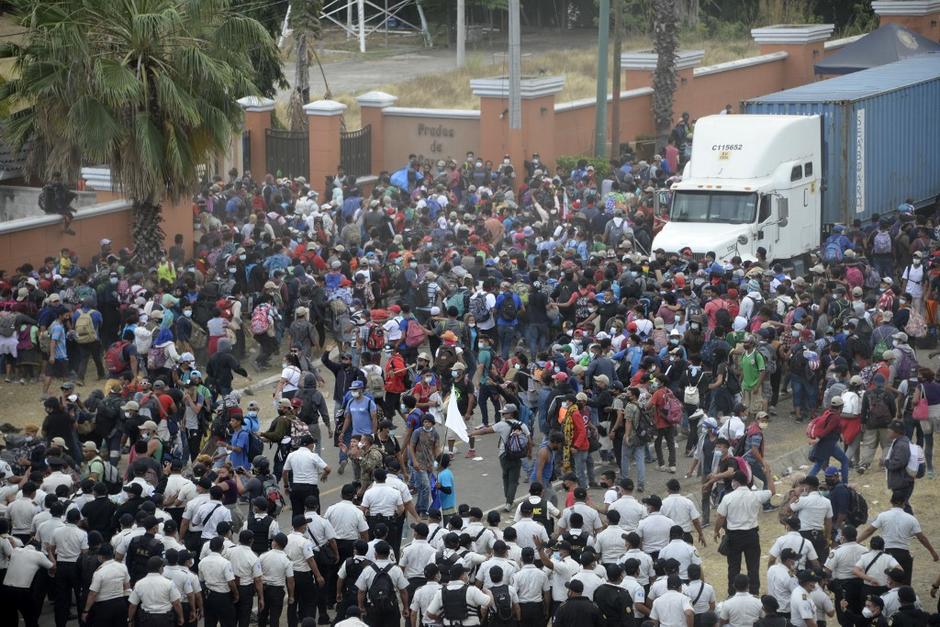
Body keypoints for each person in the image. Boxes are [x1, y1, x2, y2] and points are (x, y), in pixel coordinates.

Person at [714, 468, 776, 596]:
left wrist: (716, 531)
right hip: (751, 535)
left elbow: (720, 517)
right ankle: (754, 592)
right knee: (753, 567)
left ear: (735, 482)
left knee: (733, 567)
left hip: (734, 536)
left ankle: (732, 593)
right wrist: (768, 474)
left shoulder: (728, 497)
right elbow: (772, 491)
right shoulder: (756, 495)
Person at [469, 404, 532, 511]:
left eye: (505, 413)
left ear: (511, 413)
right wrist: (529, 453)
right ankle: (509, 502)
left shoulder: (502, 425)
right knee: (513, 480)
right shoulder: (522, 425)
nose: (503, 414)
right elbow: (529, 440)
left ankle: (508, 499)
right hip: (517, 456)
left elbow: (485, 431)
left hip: (504, 455)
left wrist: (472, 433)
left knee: (505, 477)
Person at [127, 556, 185, 627]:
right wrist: (181, 617)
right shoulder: (169, 583)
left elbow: (133, 605)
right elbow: (176, 603)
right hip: (165, 619)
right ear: (160, 568)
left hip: (146, 619)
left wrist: (130, 620)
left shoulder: (139, 584)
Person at [283, 434, 331, 515]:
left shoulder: (291, 455)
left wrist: (286, 486)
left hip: (296, 488)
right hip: (310, 489)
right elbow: (328, 469)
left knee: (297, 514)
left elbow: (284, 472)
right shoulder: (313, 456)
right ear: (310, 444)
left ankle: (297, 527)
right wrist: (324, 475)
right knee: (314, 514)